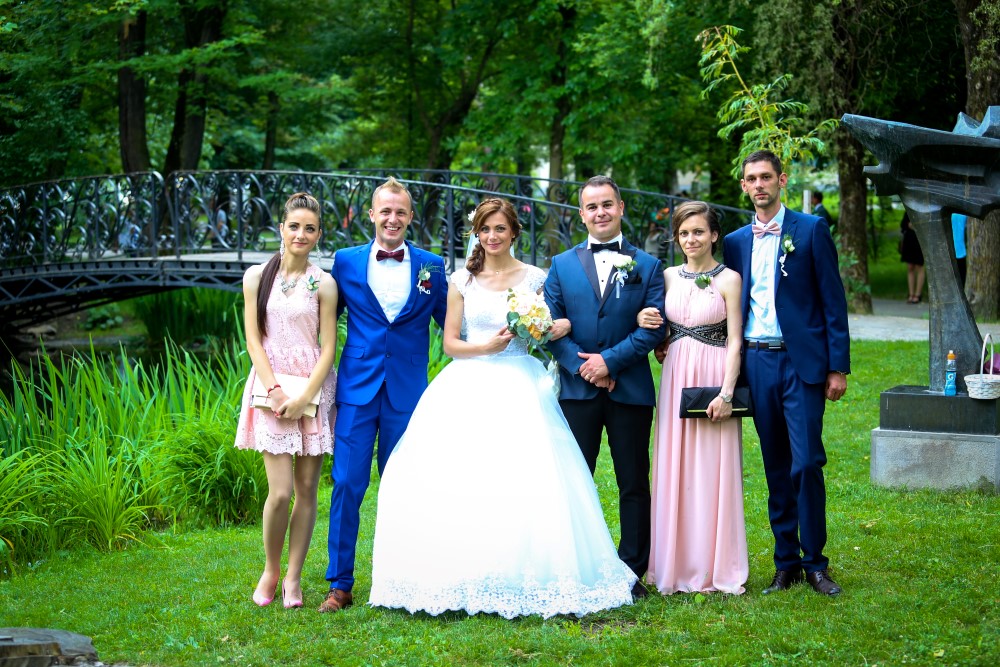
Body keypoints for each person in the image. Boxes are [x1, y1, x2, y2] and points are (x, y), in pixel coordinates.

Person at [368, 198, 636, 618]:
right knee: (465, 478)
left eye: (500, 229)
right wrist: (486, 347)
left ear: (513, 233)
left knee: (523, 476)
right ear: (476, 233)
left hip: (521, 382)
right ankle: (464, 569)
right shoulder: (461, 280)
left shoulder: (535, 278)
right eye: (485, 229)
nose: (492, 236)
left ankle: (520, 571)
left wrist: (553, 326)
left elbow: (555, 326)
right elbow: (450, 343)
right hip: (469, 381)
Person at [722, 150, 850, 596]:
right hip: (757, 362)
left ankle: (816, 563)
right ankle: (786, 563)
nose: (759, 184)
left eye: (766, 176)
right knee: (775, 464)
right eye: (751, 178)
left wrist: (837, 366)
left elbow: (833, 301)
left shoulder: (811, 230)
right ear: (744, 186)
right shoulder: (735, 242)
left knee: (806, 461)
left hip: (802, 363)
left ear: (782, 179)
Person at [320, 177, 448, 614]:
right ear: (372, 214)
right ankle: (340, 584)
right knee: (346, 484)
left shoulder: (432, 266)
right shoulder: (345, 262)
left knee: (404, 485)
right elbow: (322, 317)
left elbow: (453, 325)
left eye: (400, 212)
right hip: (357, 389)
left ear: (410, 217)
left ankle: (404, 580)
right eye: (385, 211)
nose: (392, 219)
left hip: (407, 392)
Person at [544, 175, 666, 599]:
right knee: (577, 481)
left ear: (621, 208)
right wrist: (586, 368)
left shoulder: (648, 267)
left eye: (607, 204)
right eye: (592, 206)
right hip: (577, 392)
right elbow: (548, 327)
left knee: (633, 482)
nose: (601, 212)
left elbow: (653, 328)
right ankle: (578, 567)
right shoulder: (560, 265)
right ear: (582, 214)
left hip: (629, 389)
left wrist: (609, 362)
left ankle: (631, 571)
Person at [636, 201, 748, 595]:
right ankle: (674, 562)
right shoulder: (667, 276)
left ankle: (714, 565)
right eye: (684, 233)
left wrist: (727, 393)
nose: (691, 239)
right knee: (674, 464)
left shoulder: (729, 279)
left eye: (698, 232)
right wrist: (651, 329)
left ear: (714, 235)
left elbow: (736, 340)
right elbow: (656, 324)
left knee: (712, 467)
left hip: (714, 376)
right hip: (676, 377)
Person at [234, 192, 338, 609]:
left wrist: (306, 396)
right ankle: (271, 569)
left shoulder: (323, 283)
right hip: (270, 387)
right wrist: (276, 390)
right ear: (281, 228)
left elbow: (328, 347)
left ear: (318, 235)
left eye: (309, 228)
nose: (301, 234)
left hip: (312, 388)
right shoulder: (256, 276)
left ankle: (293, 578)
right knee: (279, 492)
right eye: (294, 226)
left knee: (307, 488)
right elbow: (253, 339)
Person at [899, 213, 925, 304]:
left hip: (919, 241)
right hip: (909, 241)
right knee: (910, 267)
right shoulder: (908, 211)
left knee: (919, 266)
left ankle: (918, 294)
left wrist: (916, 226)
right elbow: (903, 225)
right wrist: (909, 225)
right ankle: (911, 294)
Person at [951, 212, 967, 288]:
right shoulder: (964, 214)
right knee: (961, 282)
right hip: (960, 252)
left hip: (952, 252)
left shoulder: (949, 215)